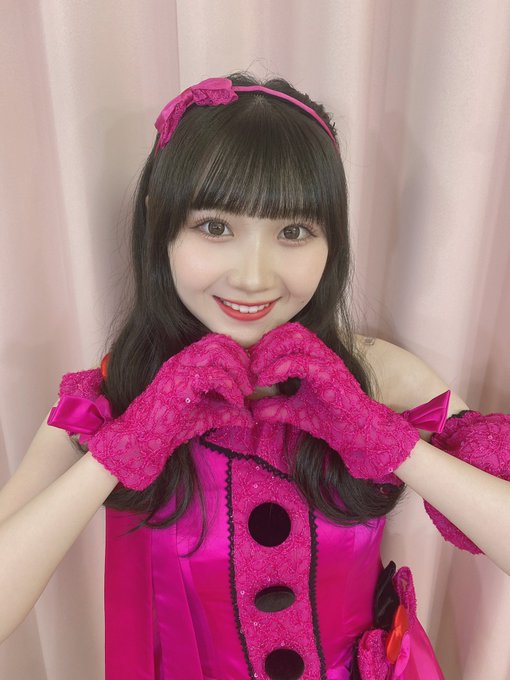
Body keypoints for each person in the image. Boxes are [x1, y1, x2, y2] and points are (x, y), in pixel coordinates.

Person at [0, 72, 509, 680]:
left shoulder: (379, 374)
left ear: (332, 243)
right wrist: (119, 453)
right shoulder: (113, 394)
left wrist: (395, 447)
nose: (253, 277)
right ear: (161, 228)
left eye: (293, 232)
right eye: (215, 227)